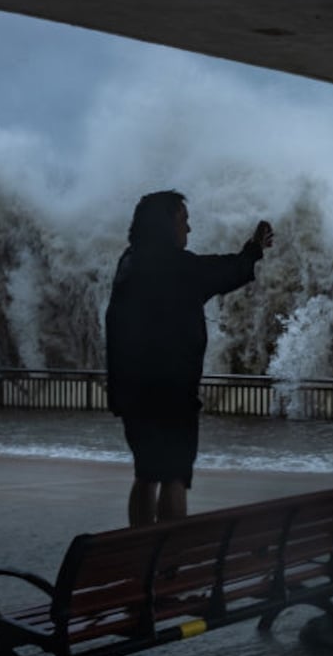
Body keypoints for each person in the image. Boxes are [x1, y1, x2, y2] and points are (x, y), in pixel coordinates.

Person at [104, 190, 274, 525]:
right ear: (164, 225)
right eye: (184, 220)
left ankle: (140, 551)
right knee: (174, 477)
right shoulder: (174, 267)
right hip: (171, 394)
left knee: (146, 474)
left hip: (133, 394)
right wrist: (253, 251)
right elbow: (221, 272)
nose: (189, 229)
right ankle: (167, 558)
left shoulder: (130, 263)